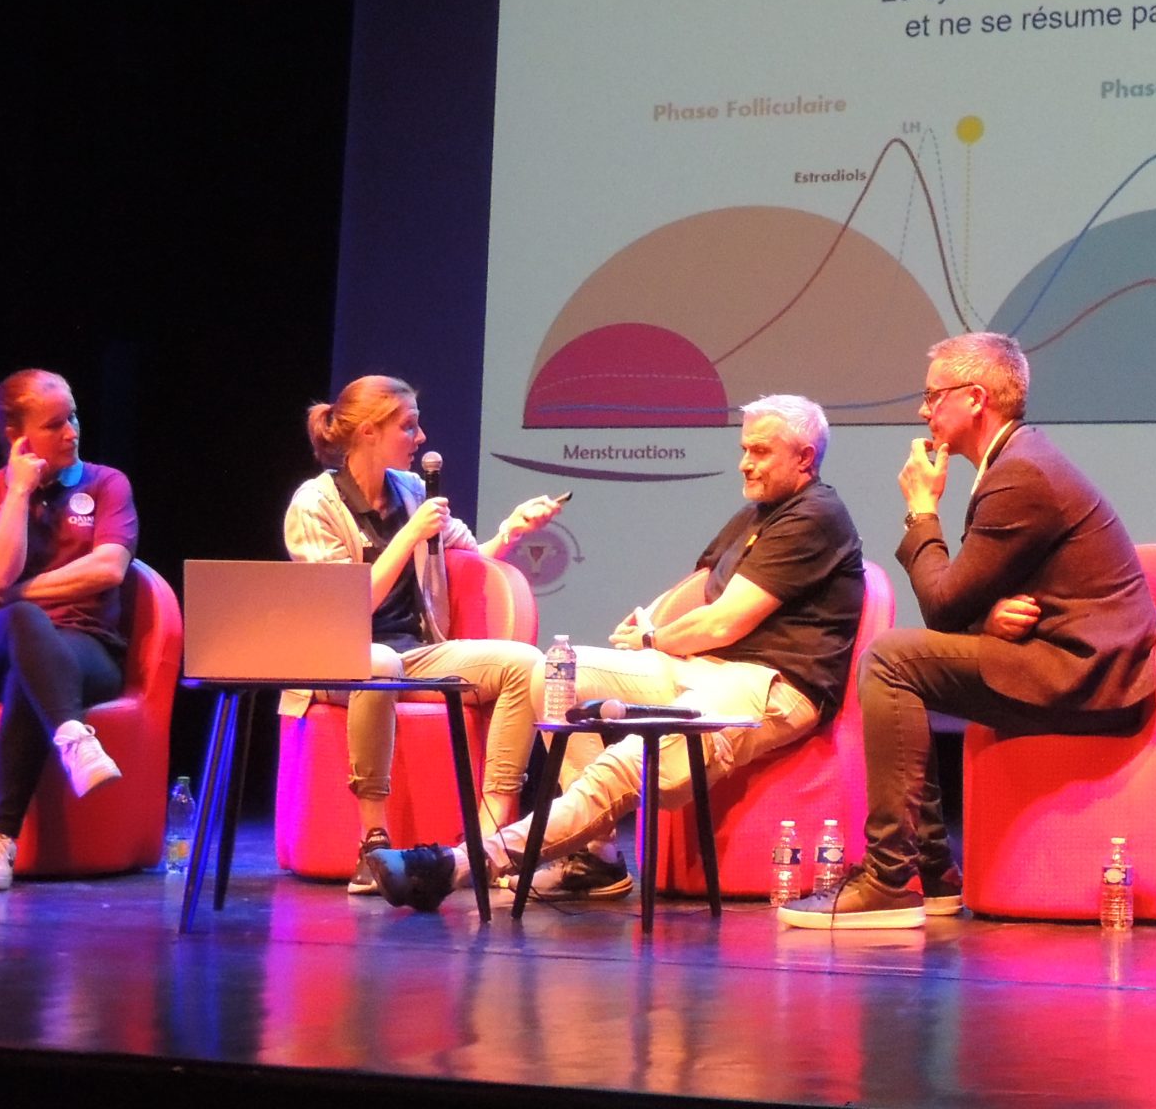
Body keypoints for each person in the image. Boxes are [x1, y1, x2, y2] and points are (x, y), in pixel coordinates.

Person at [367, 392, 865, 910]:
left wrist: (654, 640)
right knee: (555, 673)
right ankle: (597, 857)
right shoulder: (758, 514)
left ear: (804, 458)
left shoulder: (815, 515)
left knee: (629, 761)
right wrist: (650, 617)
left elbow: (723, 621)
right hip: (703, 667)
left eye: (760, 452)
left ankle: (460, 863)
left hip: (769, 684)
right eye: (744, 449)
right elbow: (701, 585)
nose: (745, 463)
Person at [780, 333, 1156, 929]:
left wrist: (922, 509)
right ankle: (933, 874)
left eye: (934, 395)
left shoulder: (1020, 474)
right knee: (900, 661)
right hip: (1063, 655)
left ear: (976, 398)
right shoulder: (1014, 462)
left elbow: (943, 604)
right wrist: (985, 619)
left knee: (891, 659)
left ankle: (888, 878)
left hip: (1085, 675)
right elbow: (968, 601)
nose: (923, 410)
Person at [283, 374, 563, 895]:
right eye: (408, 427)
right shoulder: (315, 504)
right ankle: (373, 841)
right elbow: (346, 609)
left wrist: (513, 529)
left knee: (525, 665)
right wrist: (411, 533)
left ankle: (489, 842)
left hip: (415, 651)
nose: (421, 437)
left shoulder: (412, 490)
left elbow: (469, 556)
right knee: (380, 663)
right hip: (335, 657)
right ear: (368, 432)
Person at [0, 370, 139, 893]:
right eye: (55, 425)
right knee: (24, 626)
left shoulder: (106, 484)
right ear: (17, 436)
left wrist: (15, 594)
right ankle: (74, 737)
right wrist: (18, 492)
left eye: (73, 416)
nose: (72, 432)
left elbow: (108, 569)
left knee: (28, 672)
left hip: (85, 646)